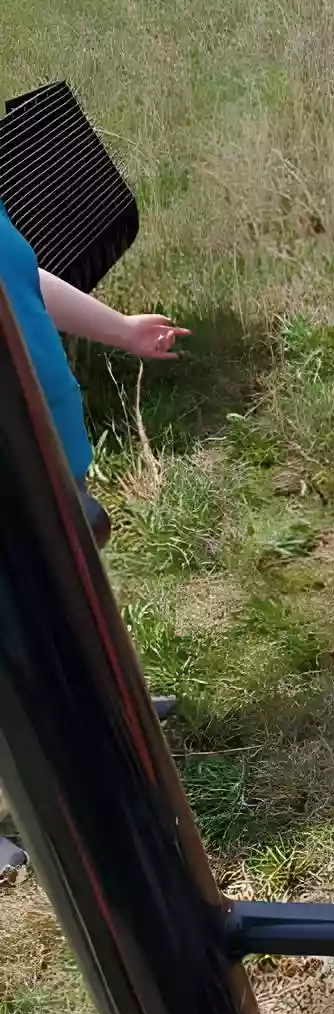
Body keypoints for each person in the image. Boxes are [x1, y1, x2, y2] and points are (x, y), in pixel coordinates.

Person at [0, 199, 187, 870]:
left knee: (68, 585)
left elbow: (20, 277)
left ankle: (110, 711)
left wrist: (122, 330)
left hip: (44, 453)